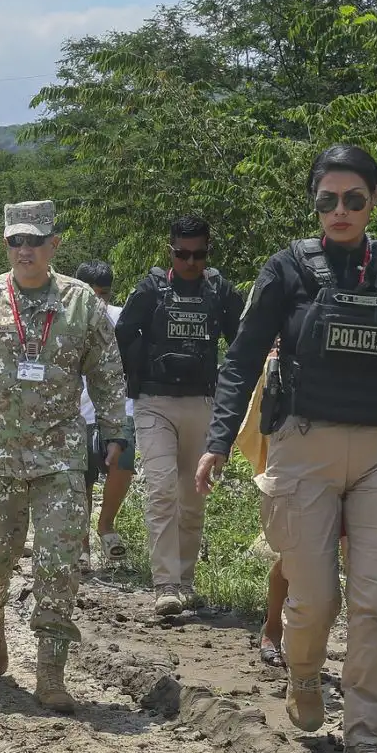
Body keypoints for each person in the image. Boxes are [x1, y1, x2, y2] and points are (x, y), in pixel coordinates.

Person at [196, 143, 377, 753]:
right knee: (314, 597)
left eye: (353, 199)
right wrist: (216, 438)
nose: (339, 211)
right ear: (314, 202)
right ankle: (302, 672)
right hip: (303, 449)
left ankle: (367, 741)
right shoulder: (286, 270)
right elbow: (239, 360)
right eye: (326, 199)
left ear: (375, 200)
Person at [0, 201, 125, 712]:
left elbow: (106, 372)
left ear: (53, 246)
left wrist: (114, 431)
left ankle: (50, 672)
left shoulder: (81, 302)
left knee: (60, 562)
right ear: (6, 245)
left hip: (60, 455)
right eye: (16, 241)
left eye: (35, 241)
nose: (25, 250)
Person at [112, 216, 245, 614]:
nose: (191, 262)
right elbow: (123, 335)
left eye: (199, 254)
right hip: (155, 402)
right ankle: (165, 584)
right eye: (182, 254)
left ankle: (186, 581)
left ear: (208, 252)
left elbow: (241, 343)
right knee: (162, 490)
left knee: (193, 497)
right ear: (170, 250)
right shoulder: (151, 289)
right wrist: (139, 374)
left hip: (203, 403)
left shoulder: (220, 291)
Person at [74, 261, 137, 567]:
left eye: (105, 294)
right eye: (93, 293)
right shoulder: (64, 318)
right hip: (78, 408)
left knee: (123, 462)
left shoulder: (121, 318)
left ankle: (106, 525)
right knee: (82, 476)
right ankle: (82, 544)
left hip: (118, 407)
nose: (100, 300)